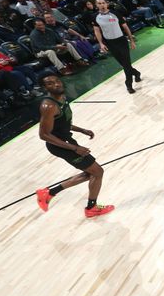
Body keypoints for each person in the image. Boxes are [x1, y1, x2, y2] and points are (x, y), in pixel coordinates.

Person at [35, 74, 114, 218]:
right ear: (44, 88)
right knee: (98, 172)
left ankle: (49, 193)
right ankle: (91, 208)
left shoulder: (62, 98)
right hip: (60, 145)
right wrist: (75, 148)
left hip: (67, 142)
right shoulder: (49, 106)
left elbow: (62, 124)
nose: (56, 84)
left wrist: (82, 130)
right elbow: (44, 135)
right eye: (50, 83)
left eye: (57, 81)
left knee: (91, 173)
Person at [91, 0, 142, 94]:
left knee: (126, 64)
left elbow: (125, 27)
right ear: (96, 5)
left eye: (103, 3)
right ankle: (136, 73)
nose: (102, 5)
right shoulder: (95, 17)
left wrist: (131, 40)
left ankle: (128, 85)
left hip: (121, 41)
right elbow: (97, 31)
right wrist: (101, 43)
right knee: (124, 64)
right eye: (99, 3)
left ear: (107, 4)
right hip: (110, 43)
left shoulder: (115, 13)